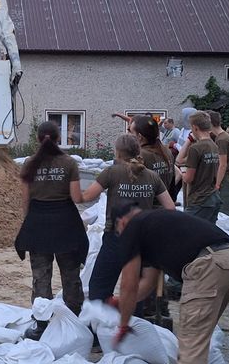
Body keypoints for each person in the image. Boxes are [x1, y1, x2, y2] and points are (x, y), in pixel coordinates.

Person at [108, 205, 229, 364]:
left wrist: (123, 325)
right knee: (198, 339)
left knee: (191, 346)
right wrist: (122, 302)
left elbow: (128, 284)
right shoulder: (155, 224)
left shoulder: (132, 230)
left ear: (121, 223)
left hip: (206, 266)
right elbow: (145, 284)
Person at [83, 133, 175, 307]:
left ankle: (98, 328)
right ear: (138, 151)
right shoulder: (152, 176)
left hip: (115, 238)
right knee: (135, 289)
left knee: (99, 288)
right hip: (142, 239)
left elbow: (88, 196)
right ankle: (133, 324)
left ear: (117, 152)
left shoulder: (112, 172)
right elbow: (170, 208)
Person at [15, 121, 85, 340]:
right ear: (58, 139)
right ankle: (74, 321)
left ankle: (42, 325)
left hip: (39, 221)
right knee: (71, 275)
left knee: (41, 276)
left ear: (37, 139)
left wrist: (29, 224)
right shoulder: (69, 163)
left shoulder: (28, 163)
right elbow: (76, 198)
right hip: (65, 222)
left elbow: (25, 199)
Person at [179, 111, 221, 224]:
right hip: (213, 197)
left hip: (199, 199)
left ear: (195, 127)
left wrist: (182, 173)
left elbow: (188, 179)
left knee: (185, 228)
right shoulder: (214, 146)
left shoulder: (196, 148)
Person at [207, 111, 229, 220]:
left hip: (225, 178)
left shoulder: (221, 139)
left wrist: (217, 184)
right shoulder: (226, 136)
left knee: (223, 213)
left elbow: (223, 164)